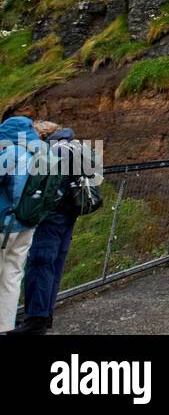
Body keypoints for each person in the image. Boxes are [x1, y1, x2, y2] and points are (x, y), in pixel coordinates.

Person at [9, 122, 82, 334]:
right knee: (55, 263)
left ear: (42, 135)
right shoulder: (73, 145)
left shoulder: (52, 151)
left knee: (40, 263)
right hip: (70, 212)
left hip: (51, 215)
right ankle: (45, 314)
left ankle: (35, 319)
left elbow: (45, 185)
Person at [0, 105, 51, 332]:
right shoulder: (44, 153)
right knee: (13, 275)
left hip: (5, 223)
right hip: (29, 223)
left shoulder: (10, 153)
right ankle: (5, 326)